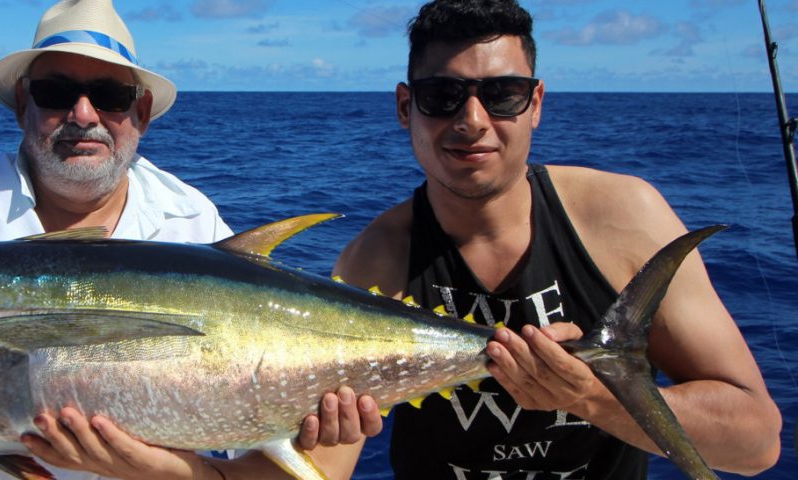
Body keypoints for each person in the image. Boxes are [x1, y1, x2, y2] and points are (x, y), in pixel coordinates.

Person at [0, 1, 374, 479]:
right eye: (58, 93)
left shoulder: (188, 216)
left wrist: (318, 422)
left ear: (139, 113)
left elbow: (243, 405)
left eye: (108, 96)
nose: (83, 114)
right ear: (25, 102)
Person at [330, 0, 782, 478]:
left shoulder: (624, 217)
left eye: (503, 94)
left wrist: (589, 396)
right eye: (443, 94)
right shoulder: (373, 262)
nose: (473, 120)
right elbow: (325, 465)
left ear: (536, 104)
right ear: (406, 107)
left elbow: (755, 444)